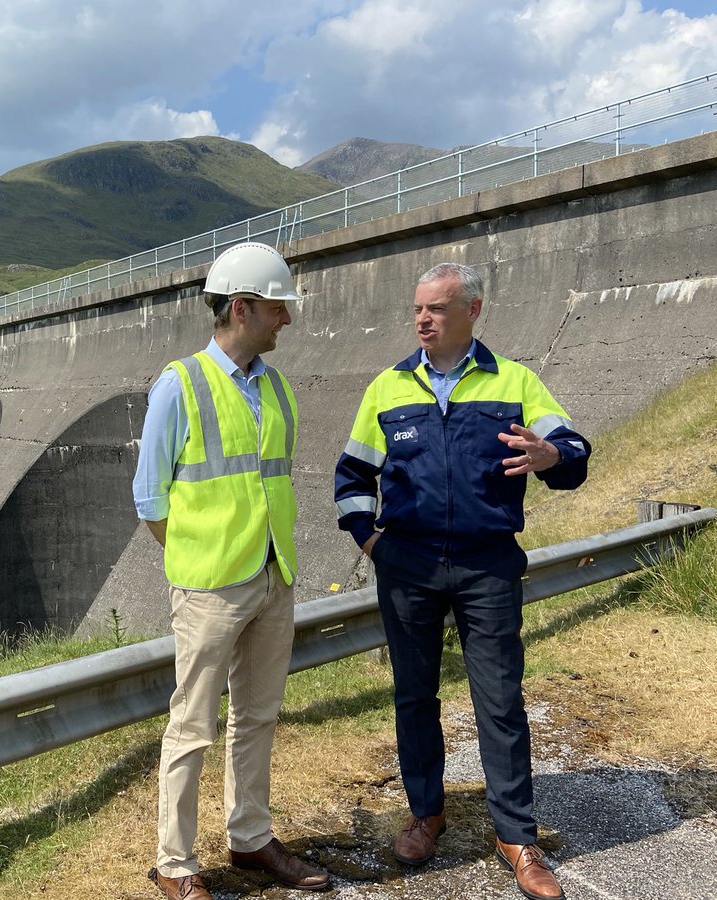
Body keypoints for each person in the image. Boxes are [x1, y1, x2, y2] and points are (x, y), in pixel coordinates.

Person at [334, 262, 590, 900]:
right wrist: (373, 544)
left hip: (487, 566)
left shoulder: (515, 381)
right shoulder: (386, 389)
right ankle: (426, 814)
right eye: (418, 309)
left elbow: (573, 450)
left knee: (500, 701)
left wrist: (552, 456)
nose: (423, 319)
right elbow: (350, 479)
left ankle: (516, 835)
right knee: (414, 697)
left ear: (473, 311)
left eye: (437, 309)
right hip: (409, 568)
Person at [134, 242, 331, 898]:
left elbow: (270, 478)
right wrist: (194, 555)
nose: (289, 321)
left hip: (273, 575)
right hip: (210, 587)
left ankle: (250, 837)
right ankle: (175, 863)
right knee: (193, 723)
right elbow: (148, 497)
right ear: (242, 308)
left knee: (259, 715)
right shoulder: (180, 383)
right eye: (279, 308)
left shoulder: (274, 387)